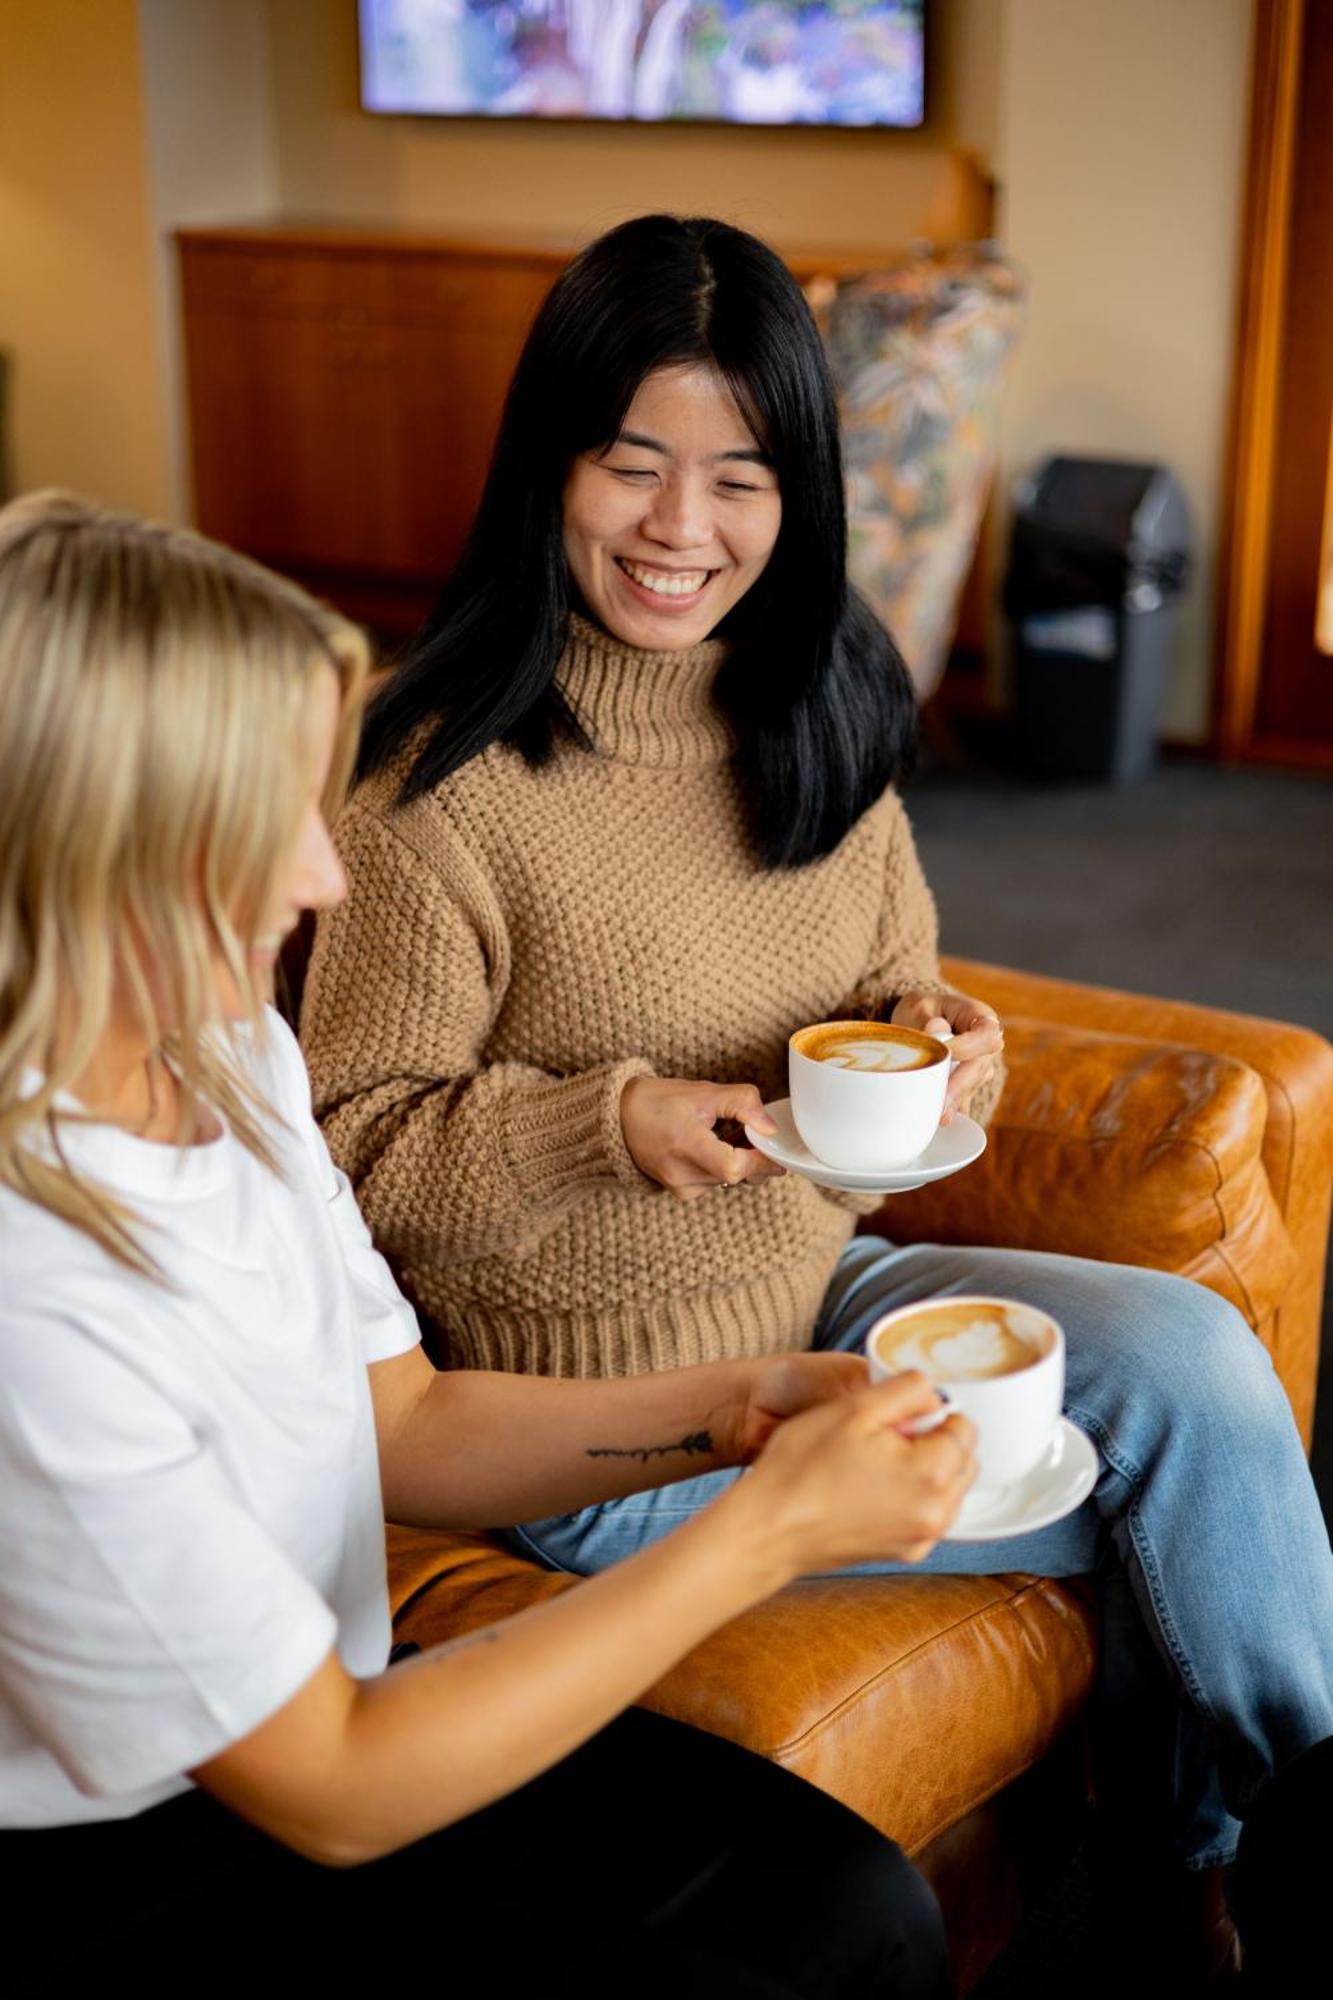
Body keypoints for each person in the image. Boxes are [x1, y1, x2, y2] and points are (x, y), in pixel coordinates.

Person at [300, 213, 1333, 1984]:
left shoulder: (818, 682)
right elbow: (347, 1155)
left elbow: (892, 960)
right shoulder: (436, 775)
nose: (680, 532)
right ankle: (1202, 1889)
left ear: (800, 493)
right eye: (631, 466)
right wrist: (597, 1120)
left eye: (739, 479)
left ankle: (1204, 1856)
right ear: (550, 461)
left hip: (826, 1285)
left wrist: (938, 1025)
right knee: (1196, 1508)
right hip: (605, 1422)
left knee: (1202, 1368)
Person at [0, 491, 971, 2000]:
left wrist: (730, 1414)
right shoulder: (31, 1288)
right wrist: (766, 1531)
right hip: (128, 1859)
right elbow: (325, 1783)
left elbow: (408, 1420)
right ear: (97, 846)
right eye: (265, 823)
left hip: (327, 1720)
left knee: (850, 1900)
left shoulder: (223, 1052)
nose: (322, 879)